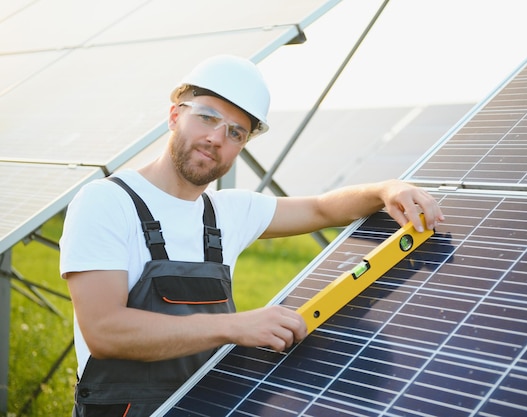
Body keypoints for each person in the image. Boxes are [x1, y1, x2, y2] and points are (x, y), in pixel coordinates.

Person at [60, 54, 445, 416]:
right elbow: (105, 331)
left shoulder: (227, 213)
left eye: (235, 132)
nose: (217, 138)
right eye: (207, 117)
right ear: (175, 115)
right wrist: (236, 326)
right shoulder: (107, 202)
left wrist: (385, 189)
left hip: (208, 403)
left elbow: (322, 208)